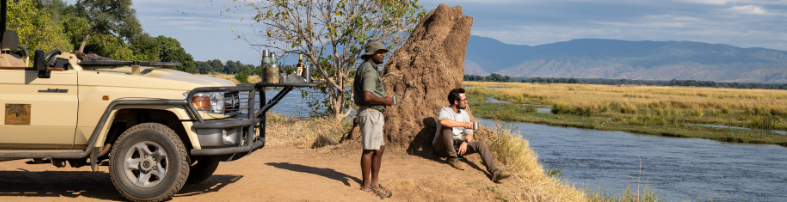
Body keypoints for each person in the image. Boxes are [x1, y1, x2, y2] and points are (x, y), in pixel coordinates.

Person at [433, 88, 511, 182]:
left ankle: (495, 172)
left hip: (457, 145)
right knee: (446, 127)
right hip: (441, 146)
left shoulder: (464, 114)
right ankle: (453, 158)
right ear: (456, 102)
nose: (466, 101)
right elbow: (442, 121)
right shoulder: (445, 111)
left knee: (481, 144)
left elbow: (470, 134)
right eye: (464, 100)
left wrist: (465, 142)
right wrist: (463, 124)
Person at [354, 41, 394, 199]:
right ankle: (367, 186)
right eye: (379, 52)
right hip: (370, 112)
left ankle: (375, 184)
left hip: (372, 113)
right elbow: (367, 96)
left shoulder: (368, 68)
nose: (382, 54)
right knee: (369, 150)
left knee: (379, 148)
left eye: (383, 52)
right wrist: (385, 101)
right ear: (371, 54)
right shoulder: (369, 71)